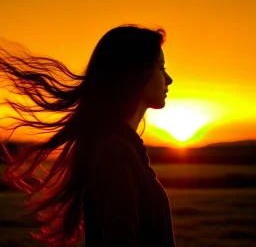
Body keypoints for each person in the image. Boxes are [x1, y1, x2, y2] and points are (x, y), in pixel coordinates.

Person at [0, 23, 175, 246]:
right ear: (137, 73)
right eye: (161, 68)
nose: (168, 79)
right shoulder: (116, 153)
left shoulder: (122, 149)